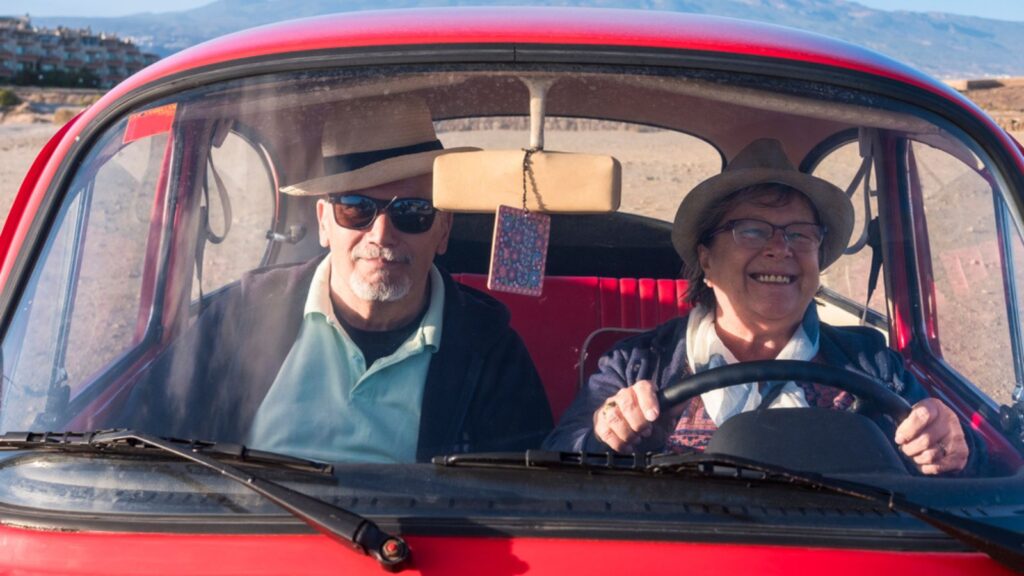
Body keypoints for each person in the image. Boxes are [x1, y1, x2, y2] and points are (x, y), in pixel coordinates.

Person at [113, 95, 552, 462]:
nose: (381, 235)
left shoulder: (488, 346)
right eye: (356, 208)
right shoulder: (248, 315)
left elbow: (520, 501)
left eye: (412, 213)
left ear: (443, 231)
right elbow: (147, 438)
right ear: (324, 222)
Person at [544, 138, 973, 475]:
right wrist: (605, 435)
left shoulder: (873, 365)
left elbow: (967, 478)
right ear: (706, 259)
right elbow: (556, 461)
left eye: (800, 234)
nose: (779, 249)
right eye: (751, 231)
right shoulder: (635, 365)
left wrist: (950, 449)